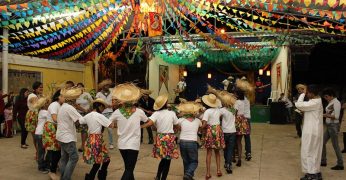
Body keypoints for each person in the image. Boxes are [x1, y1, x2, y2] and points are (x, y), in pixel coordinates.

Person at [109, 83, 148, 180]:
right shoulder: (139, 112)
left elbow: (108, 123)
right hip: (133, 144)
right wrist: (141, 126)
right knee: (129, 169)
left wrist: (117, 125)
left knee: (128, 168)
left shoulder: (117, 112)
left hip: (122, 144)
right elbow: (147, 121)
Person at [141, 94, 180, 180]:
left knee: (163, 159)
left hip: (160, 138)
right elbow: (177, 125)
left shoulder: (156, 114)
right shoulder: (172, 113)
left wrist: (141, 126)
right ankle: (162, 178)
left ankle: (158, 176)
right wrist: (175, 130)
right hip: (169, 138)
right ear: (165, 104)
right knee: (167, 160)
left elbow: (151, 124)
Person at [80, 98, 114, 180]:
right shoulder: (99, 116)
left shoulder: (88, 115)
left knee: (101, 160)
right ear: (99, 106)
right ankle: (96, 176)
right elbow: (111, 125)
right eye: (103, 107)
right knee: (101, 161)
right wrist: (112, 118)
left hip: (90, 138)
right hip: (97, 139)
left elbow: (81, 121)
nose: (103, 110)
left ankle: (93, 176)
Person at [295, 85, 323, 180]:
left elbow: (298, 104)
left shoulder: (314, 102)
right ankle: (315, 172)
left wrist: (302, 93)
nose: (306, 95)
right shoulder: (316, 101)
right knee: (314, 152)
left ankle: (312, 174)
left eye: (307, 93)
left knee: (308, 151)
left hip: (311, 131)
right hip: (313, 130)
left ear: (312, 93)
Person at [56, 87, 84, 180]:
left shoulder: (63, 106)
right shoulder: (69, 108)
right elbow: (80, 120)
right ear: (73, 99)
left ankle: (63, 177)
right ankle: (66, 178)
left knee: (64, 158)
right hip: (67, 137)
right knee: (74, 158)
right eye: (76, 98)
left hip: (61, 136)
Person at [176, 101, 202, 180]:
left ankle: (188, 176)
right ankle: (188, 174)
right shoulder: (198, 121)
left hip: (182, 142)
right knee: (194, 162)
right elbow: (200, 129)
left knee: (186, 161)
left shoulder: (181, 120)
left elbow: (176, 126)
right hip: (192, 142)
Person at [201, 93, 225, 179]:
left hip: (210, 131)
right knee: (217, 152)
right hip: (218, 130)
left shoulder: (207, 112)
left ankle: (208, 173)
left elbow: (204, 125)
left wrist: (199, 127)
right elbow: (221, 117)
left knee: (209, 153)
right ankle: (218, 170)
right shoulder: (218, 110)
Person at [321, 88, 344, 170]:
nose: (325, 98)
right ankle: (323, 161)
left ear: (331, 96)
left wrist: (324, 115)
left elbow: (336, 116)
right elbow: (329, 113)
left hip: (333, 126)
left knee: (336, 146)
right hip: (329, 125)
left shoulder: (336, 103)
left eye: (327, 96)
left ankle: (340, 164)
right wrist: (324, 114)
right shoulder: (331, 102)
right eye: (325, 97)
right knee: (322, 142)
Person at [43, 90, 64, 180]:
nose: (65, 98)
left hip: (55, 127)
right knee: (56, 150)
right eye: (64, 96)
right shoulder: (54, 105)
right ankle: (52, 171)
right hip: (51, 127)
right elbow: (55, 119)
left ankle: (53, 168)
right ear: (59, 96)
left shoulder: (59, 105)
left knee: (56, 150)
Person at [218, 91, 237, 174]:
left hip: (225, 131)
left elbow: (218, 117)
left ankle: (227, 163)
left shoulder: (222, 110)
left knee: (225, 148)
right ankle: (228, 163)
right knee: (230, 149)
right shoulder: (234, 110)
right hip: (232, 131)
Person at [26, 81, 43, 158]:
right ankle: (38, 152)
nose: (41, 88)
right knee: (36, 136)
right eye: (40, 87)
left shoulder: (38, 95)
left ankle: (39, 152)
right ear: (35, 88)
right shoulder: (32, 96)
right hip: (33, 116)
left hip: (39, 115)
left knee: (39, 136)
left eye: (42, 87)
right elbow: (37, 105)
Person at [96, 79, 114, 149]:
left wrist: (112, 105)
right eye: (106, 85)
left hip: (110, 112)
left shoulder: (112, 93)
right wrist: (105, 105)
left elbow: (114, 101)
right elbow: (97, 102)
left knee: (110, 129)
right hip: (101, 113)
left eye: (108, 85)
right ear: (103, 86)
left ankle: (111, 143)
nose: (107, 87)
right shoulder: (99, 94)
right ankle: (99, 142)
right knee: (100, 129)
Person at [34, 97, 50, 174]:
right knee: (41, 151)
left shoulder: (42, 111)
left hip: (39, 133)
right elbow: (53, 117)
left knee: (42, 151)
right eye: (47, 103)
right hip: (40, 133)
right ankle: (41, 167)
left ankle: (44, 165)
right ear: (44, 105)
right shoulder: (44, 112)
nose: (48, 104)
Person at [234, 89, 250, 167]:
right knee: (239, 141)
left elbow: (235, 113)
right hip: (243, 121)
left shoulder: (237, 102)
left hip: (237, 121)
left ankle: (233, 157)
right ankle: (239, 159)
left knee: (234, 140)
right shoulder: (243, 102)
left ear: (237, 95)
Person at [76, 83, 93, 152]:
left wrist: (89, 110)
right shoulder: (75, 95)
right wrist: (84, 110)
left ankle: (83, 145)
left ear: (83, 88)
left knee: (84, 130)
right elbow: (75, 105)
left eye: (80, 87)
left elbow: (92, 102)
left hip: (86, 115)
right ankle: (84, 144)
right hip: (78, 114)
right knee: (80, 130)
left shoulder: (87, 95)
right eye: (78, 87)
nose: (79, 88)